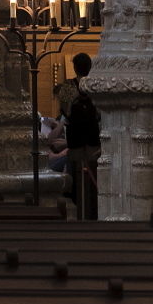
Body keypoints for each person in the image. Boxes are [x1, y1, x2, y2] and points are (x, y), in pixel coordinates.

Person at [62, 51, 101, 221]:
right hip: (93, 139)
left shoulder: (68, 88)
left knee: (78, 178)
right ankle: (92, 210)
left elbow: (65, 112)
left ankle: (81, 211)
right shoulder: (98, 86)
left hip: (77, 140)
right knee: (93, 176)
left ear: (75, 68)